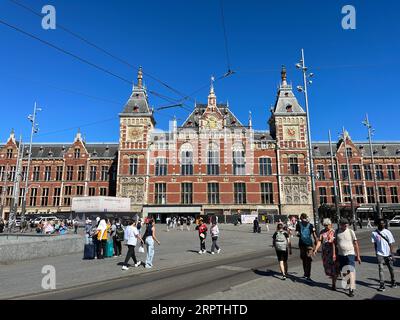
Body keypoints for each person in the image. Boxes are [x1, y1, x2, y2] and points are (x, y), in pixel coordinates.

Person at [335, 218, 361, 297]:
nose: (346, 225)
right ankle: (347, 283)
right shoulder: (336, 232)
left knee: (351, 271)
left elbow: (356, 244)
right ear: (340, 225)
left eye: (346, 224)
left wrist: (358, 256)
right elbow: (335, 244)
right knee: (344, 271)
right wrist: (335, 255)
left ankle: (351, 289)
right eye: (344, 224)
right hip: (341, 254)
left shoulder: (350, 231)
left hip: (350, 254)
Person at [313, 218, 339, 290]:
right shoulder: (322, 232)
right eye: (324, 225)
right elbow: (319, 241)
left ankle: (334, 284)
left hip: (333, 253)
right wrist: (316, 249)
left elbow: (337, 242)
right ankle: (334, 278)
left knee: (334, 268)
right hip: (325, 254)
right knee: (328, 268)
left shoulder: (334, 232)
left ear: (330, 224)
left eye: (327, 225)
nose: (326, 227)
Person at [372, 218, 397, 291]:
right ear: (378, 224)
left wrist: (392, 254)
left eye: (383, 223)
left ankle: (393, 281)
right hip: (380, 254)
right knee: (381, 269)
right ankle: (382, 284)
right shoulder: (374, 233)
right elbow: (375, 244)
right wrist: (376, 253)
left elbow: (391, 243)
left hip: (388, 254)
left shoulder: (388, 232)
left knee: (391, 269)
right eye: (381, 223)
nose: (383, 224)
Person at [295, 213, 317, 282]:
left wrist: (301, 235)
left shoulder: (298, 224)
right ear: (306, 217)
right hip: (309, 244)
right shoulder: (310, 225)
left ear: (301, 217)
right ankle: (308, 275)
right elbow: (314, 235)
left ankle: (305, 273)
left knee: (303, 258)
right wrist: (316, 243)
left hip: (302, 244)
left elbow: (297, 234)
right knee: (309, 259)